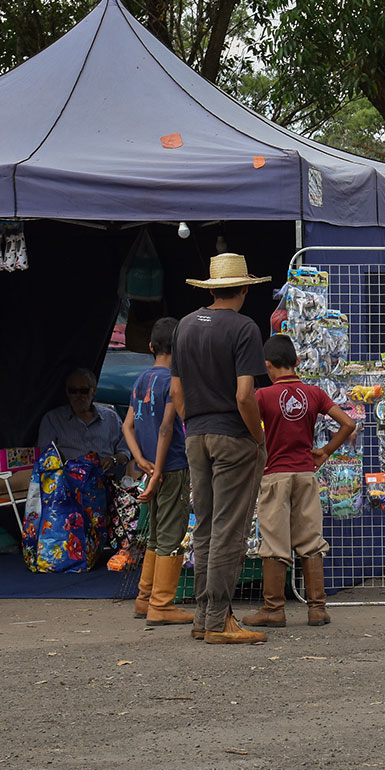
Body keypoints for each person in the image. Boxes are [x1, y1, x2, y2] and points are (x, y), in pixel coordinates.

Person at [170, 253, 272, 645]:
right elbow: (245, 394)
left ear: (213, 288)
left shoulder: (185, 326)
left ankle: (203, 615)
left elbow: (176, 391)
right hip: (233, 433)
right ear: (245, 288)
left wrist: (194, 425)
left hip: (195, 433)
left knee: (206, 526)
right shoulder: (244, 328)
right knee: (230, 529)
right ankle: (218, 620)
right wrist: (257, 437)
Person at [243, 334, 357, 629]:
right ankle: (317, 609)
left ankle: (273, 609)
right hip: (306, 474)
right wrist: (325, 451)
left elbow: (252, 430)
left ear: (268, 366)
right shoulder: (314, 393)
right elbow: (348, 424)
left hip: (275, 475)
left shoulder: (262, 397)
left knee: (274, 543)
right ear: (296, 362)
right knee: (310, 540)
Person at [122, 317, 192, 626]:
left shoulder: (140, 381)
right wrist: (160, 470)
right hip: (172, 467)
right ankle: (162, 605)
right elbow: (167, 428)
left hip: (151, 467)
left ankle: (144, 598)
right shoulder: (174, 382)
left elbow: (127, 426)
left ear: (150, 347)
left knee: (153, 535)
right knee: (171, 536)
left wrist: (142, 462)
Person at [35, 369, 126, 470]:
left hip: (103, 477)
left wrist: (112, 460)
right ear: (67, 392)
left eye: (84, 391)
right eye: (73, 391)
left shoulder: (111, 418)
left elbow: (125, 452)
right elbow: (44, 456)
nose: (78, 396)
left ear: (94, 391)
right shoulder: (53, 419)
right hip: (67, 478)